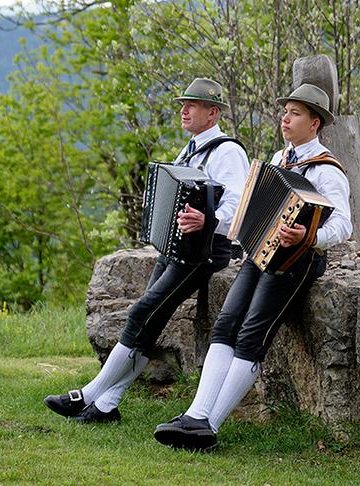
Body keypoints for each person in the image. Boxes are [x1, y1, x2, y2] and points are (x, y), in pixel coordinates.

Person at [154, 83, 352, 450]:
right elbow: (252, 210)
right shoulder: (279, 159)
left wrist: (308, 238)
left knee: (251, 334)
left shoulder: (327, 169)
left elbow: (343, 225)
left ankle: (209, 426)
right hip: (260, 253)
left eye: (295, 113)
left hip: (297, 261)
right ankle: (196, 414)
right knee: (226, 323)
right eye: (285, 111)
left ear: (315, 123)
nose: (285, 118)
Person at [44, 78, 249, 423]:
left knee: (141, 313)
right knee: (147, 325)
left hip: (206, 253)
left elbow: (239, 205)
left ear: (212, 113)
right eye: (183, 104)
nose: (184, 110)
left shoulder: (228, 152)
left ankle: (89, 394)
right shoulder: (192, 148)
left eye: (193, 105)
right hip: (177, 248)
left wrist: (208, 220)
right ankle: (107, 405)